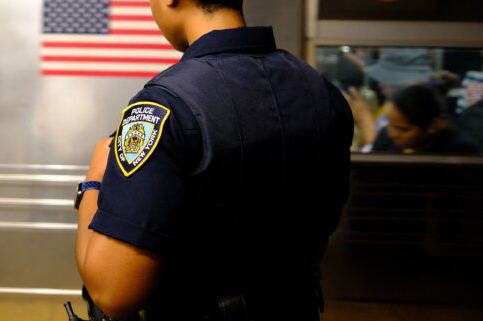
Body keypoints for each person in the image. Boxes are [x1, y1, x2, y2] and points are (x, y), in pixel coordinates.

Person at [74, 1, 354, 320]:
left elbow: (113, 293)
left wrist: (95, 179)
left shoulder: (165, 107)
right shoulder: (322, 93)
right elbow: (317, 237)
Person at [371, 84, 481, 154]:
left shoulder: (461, 151)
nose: (392, 134)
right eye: (389, 124)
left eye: (403, 129)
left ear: (433, 125)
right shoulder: (385, 139)